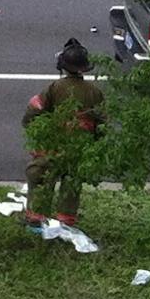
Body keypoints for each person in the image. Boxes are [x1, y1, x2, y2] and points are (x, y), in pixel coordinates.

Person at [22, 38, 106, 228]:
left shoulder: (54, 88)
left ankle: (36, 218)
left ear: (62, 65)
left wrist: (34, 131)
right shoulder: (94, 92)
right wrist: (95, 145)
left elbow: (34, 110)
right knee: (72, 182)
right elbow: (102, 123)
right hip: (79, 148)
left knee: (41, 176)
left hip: (52, 146)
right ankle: (66, 221)